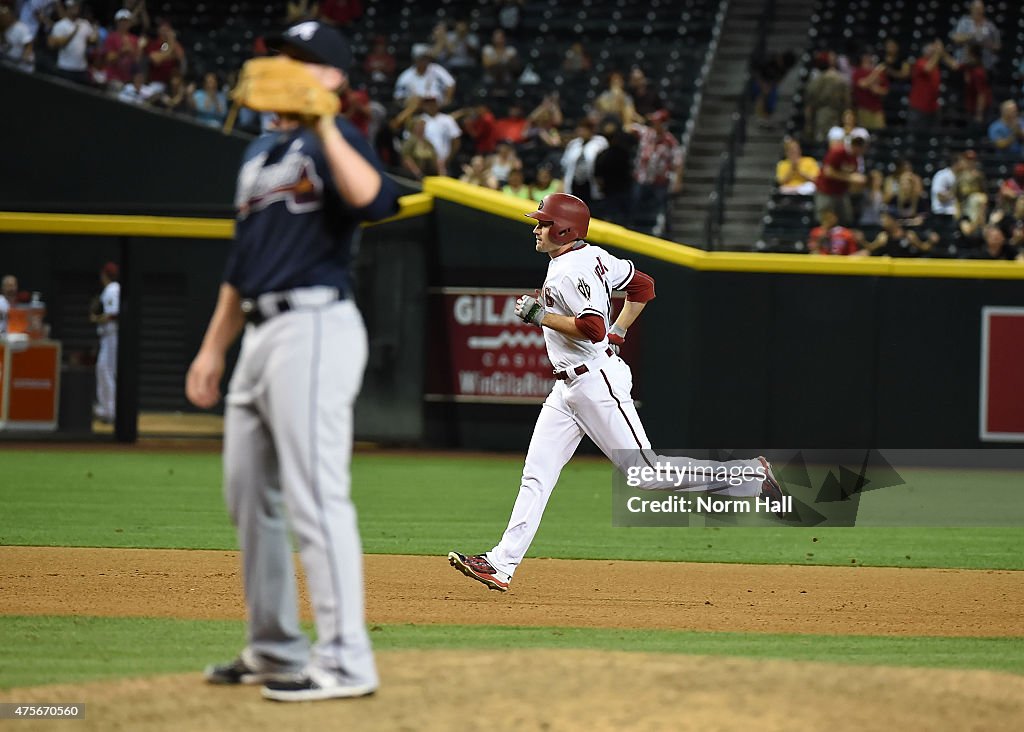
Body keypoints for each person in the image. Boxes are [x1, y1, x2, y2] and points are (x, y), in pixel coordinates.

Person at [186, 20, 399, 702]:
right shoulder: (256, 154)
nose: (286, 66)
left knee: (315, 496)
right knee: (248, 497)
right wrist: (213, 347)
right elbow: (240, 262)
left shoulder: (336, 142)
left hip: (314, 325)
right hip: (257, 333)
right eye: (284, 55)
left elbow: (374, 199)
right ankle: (275, 648)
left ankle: (345, 661)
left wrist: (328, 123)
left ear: (334, 77)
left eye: (305, 59)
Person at [447, 193, 784, 592]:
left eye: (542, 223)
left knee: (646, 473)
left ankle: (749, 472)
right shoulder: (595, 256)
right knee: (536, 476)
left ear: (564, 229)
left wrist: (542, 316)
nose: (536, 229)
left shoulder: (569, 271)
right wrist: (619, 331)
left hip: (595, 382)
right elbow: (643, 285)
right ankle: (499, 564)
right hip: (566, 388)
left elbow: (591, 326)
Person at [91, 262, 120, 423]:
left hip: (112, 335)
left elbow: (113, 314)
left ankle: (110, 410)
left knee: (106, 370)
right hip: (109, 336)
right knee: (104, 370)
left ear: (104, 275)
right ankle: (107, 408)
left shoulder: (112, 289)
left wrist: (96, 318)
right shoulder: (112, 289)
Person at [907, 40, 958, 129]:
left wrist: (943, 53)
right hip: (919, 107)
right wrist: (938, 53)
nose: (934, 51)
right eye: (932, 50)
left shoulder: (935, 64)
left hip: (933, 107)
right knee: (918, 135)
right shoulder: (920, 62)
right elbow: (928, 69)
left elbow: (955, 66)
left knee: (933, 136)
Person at [560, 119, 608, 206]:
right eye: (580, 129)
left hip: (590, 182)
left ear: (591, 130)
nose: (581, 132)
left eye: (584, 129)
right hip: (574, 182)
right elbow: (565, 164)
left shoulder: (600, 143)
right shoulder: (573, 144)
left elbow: (604, 162)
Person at [47, 0, 97, 85]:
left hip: (81, 69)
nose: (76, 8)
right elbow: (53, 44)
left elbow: (92, 41)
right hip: (65, 68)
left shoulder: (85, 23)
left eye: (77, 6)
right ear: (68, 8)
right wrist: (73, 33)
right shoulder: (60, 25)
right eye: (73, 6)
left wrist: (95, 35)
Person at [950, 0, 1000, 69]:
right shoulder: (964, 22)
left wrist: (987, 44)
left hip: (984, 65)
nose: (978, 11)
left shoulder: (990, 26)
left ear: (983, 10)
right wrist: (972, 36)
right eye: (976, 9)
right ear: (971, 9)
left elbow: (997, 46)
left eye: (980, 9)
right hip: (964, 64)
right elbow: (955, 37)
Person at [1, 3, 35, 71]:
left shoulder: (21, 28)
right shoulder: (2, 29)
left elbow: (29, 46)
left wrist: (25, 58)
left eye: (3, 16)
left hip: (21, 68)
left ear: (10, 15)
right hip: (6, 65)